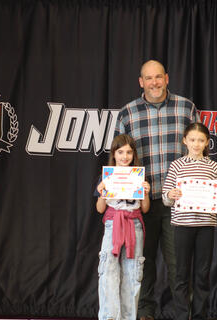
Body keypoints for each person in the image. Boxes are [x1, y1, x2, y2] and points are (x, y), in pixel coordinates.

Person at [115, 59, 199, 319]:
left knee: (179, 265)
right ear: (141, 82)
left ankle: (182, 313)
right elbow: (119, 159)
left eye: (158, 77)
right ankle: (145, 312)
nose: (154, 83)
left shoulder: (186, 108)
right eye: (148, 78)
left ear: (167, 78)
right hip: (143, 203)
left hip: (178, 202)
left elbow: (199, 152)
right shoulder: (127, 113)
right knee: (143, 261)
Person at [162, 122, 217, 320]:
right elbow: (166, 198)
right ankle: (182, 315)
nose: (196, 144)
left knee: (202, 274)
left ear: (207, 142)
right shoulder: (177, 165)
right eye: (192, 140)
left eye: (201, 140)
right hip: (182, 225)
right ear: (185, 141)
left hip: (206, 225)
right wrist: (171, 194)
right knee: (181, 274)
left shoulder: (213, 166)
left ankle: (200, 315)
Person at [96, 134, 151, 320]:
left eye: (128, 152)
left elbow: (145, 208)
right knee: (109, 272)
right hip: (113, 224)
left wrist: (145, 192)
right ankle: (110, 316)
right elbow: (100, 209)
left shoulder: (138, 175)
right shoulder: (108, 175)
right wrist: (102, 192)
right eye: (120, 152)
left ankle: (128, 317)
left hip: (133, 224)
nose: (124, 156)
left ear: (133, 154)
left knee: (132, 273)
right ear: (114, 153)